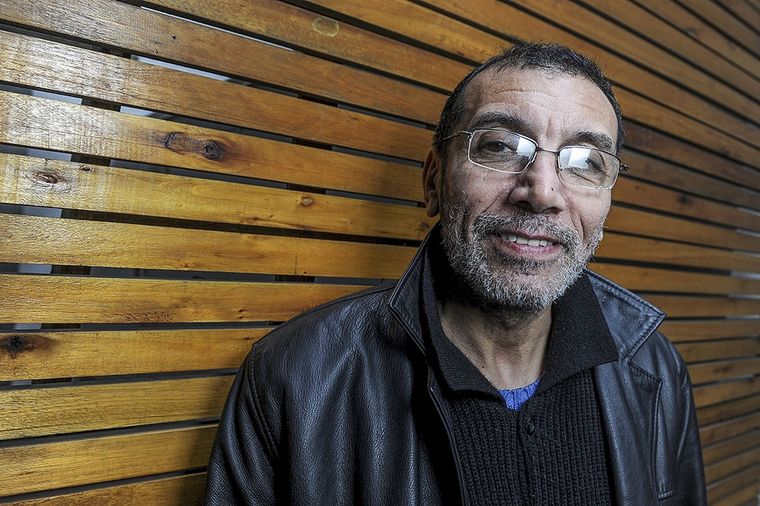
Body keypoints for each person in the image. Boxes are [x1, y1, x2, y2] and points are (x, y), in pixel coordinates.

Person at [205, 42, 706, 505]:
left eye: (586, 161)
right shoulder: (295, 377)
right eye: (500, 146)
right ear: (434, 182)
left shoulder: (655, 370)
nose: (542, 192)